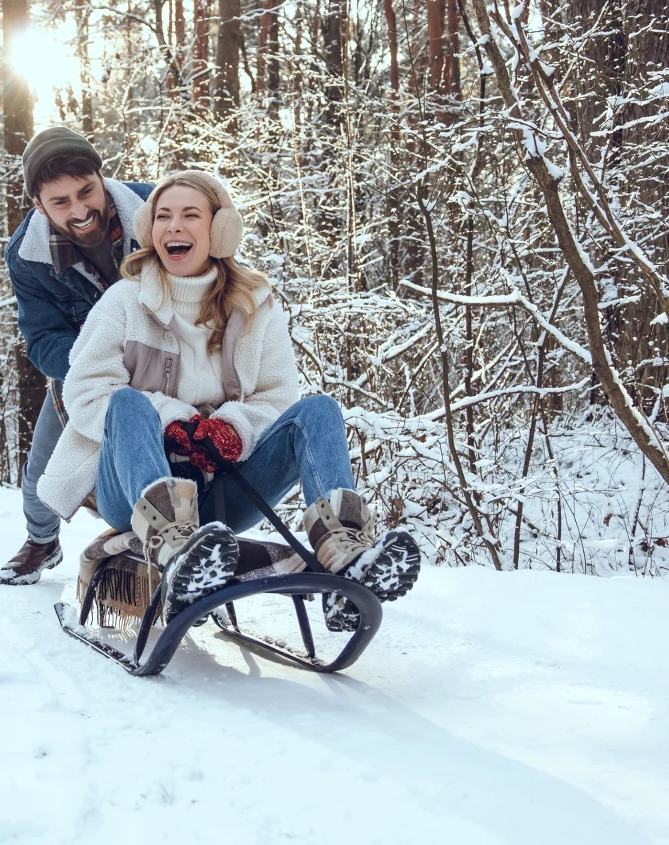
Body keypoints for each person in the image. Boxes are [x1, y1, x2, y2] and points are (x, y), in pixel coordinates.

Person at [37, 171, 419, 628]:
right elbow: (84, 390)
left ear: (219, 230)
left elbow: (276, 397)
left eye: (189, 215)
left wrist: (234, 428)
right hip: (130, 491)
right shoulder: (125, 301)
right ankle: (176, 553)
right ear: (149, 229)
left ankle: (346, 558)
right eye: (162, 216)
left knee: (319, 411)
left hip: (221, 493)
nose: (173, 226)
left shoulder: (254, 305)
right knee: (127, 403)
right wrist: (171, 419)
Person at [0, 127, 153, 585]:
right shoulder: (26, 257)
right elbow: (43, 339)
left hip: (170, 357)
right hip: (84, 369)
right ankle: (41, 541)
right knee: (45, 469)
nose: (80, 210)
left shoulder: (154, 210)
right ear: (39, 205)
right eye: (61, 202)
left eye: (86, 192)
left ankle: (181, 548)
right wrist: (101, 364)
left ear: (102, 178)